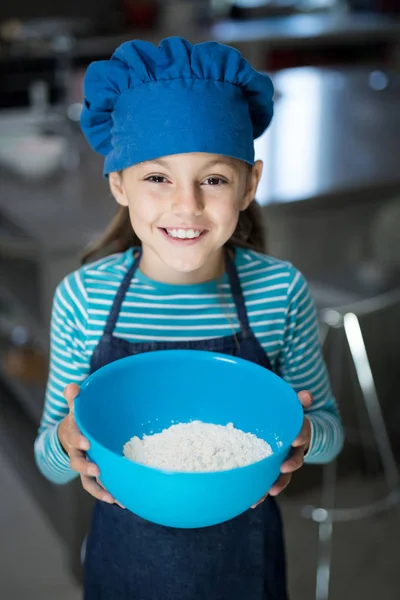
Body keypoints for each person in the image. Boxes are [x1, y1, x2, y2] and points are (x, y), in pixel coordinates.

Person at [34, 37, 343, 599]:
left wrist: (303, 434)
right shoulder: (84, 297)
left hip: (245, 569)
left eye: (214, 179)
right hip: (125, 567)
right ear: (119, 184)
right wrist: (67, 441)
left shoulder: (278, 291)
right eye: (157, 178)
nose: (187, 205)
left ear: (249, 184)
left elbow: (327, 431)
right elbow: (51, 461)